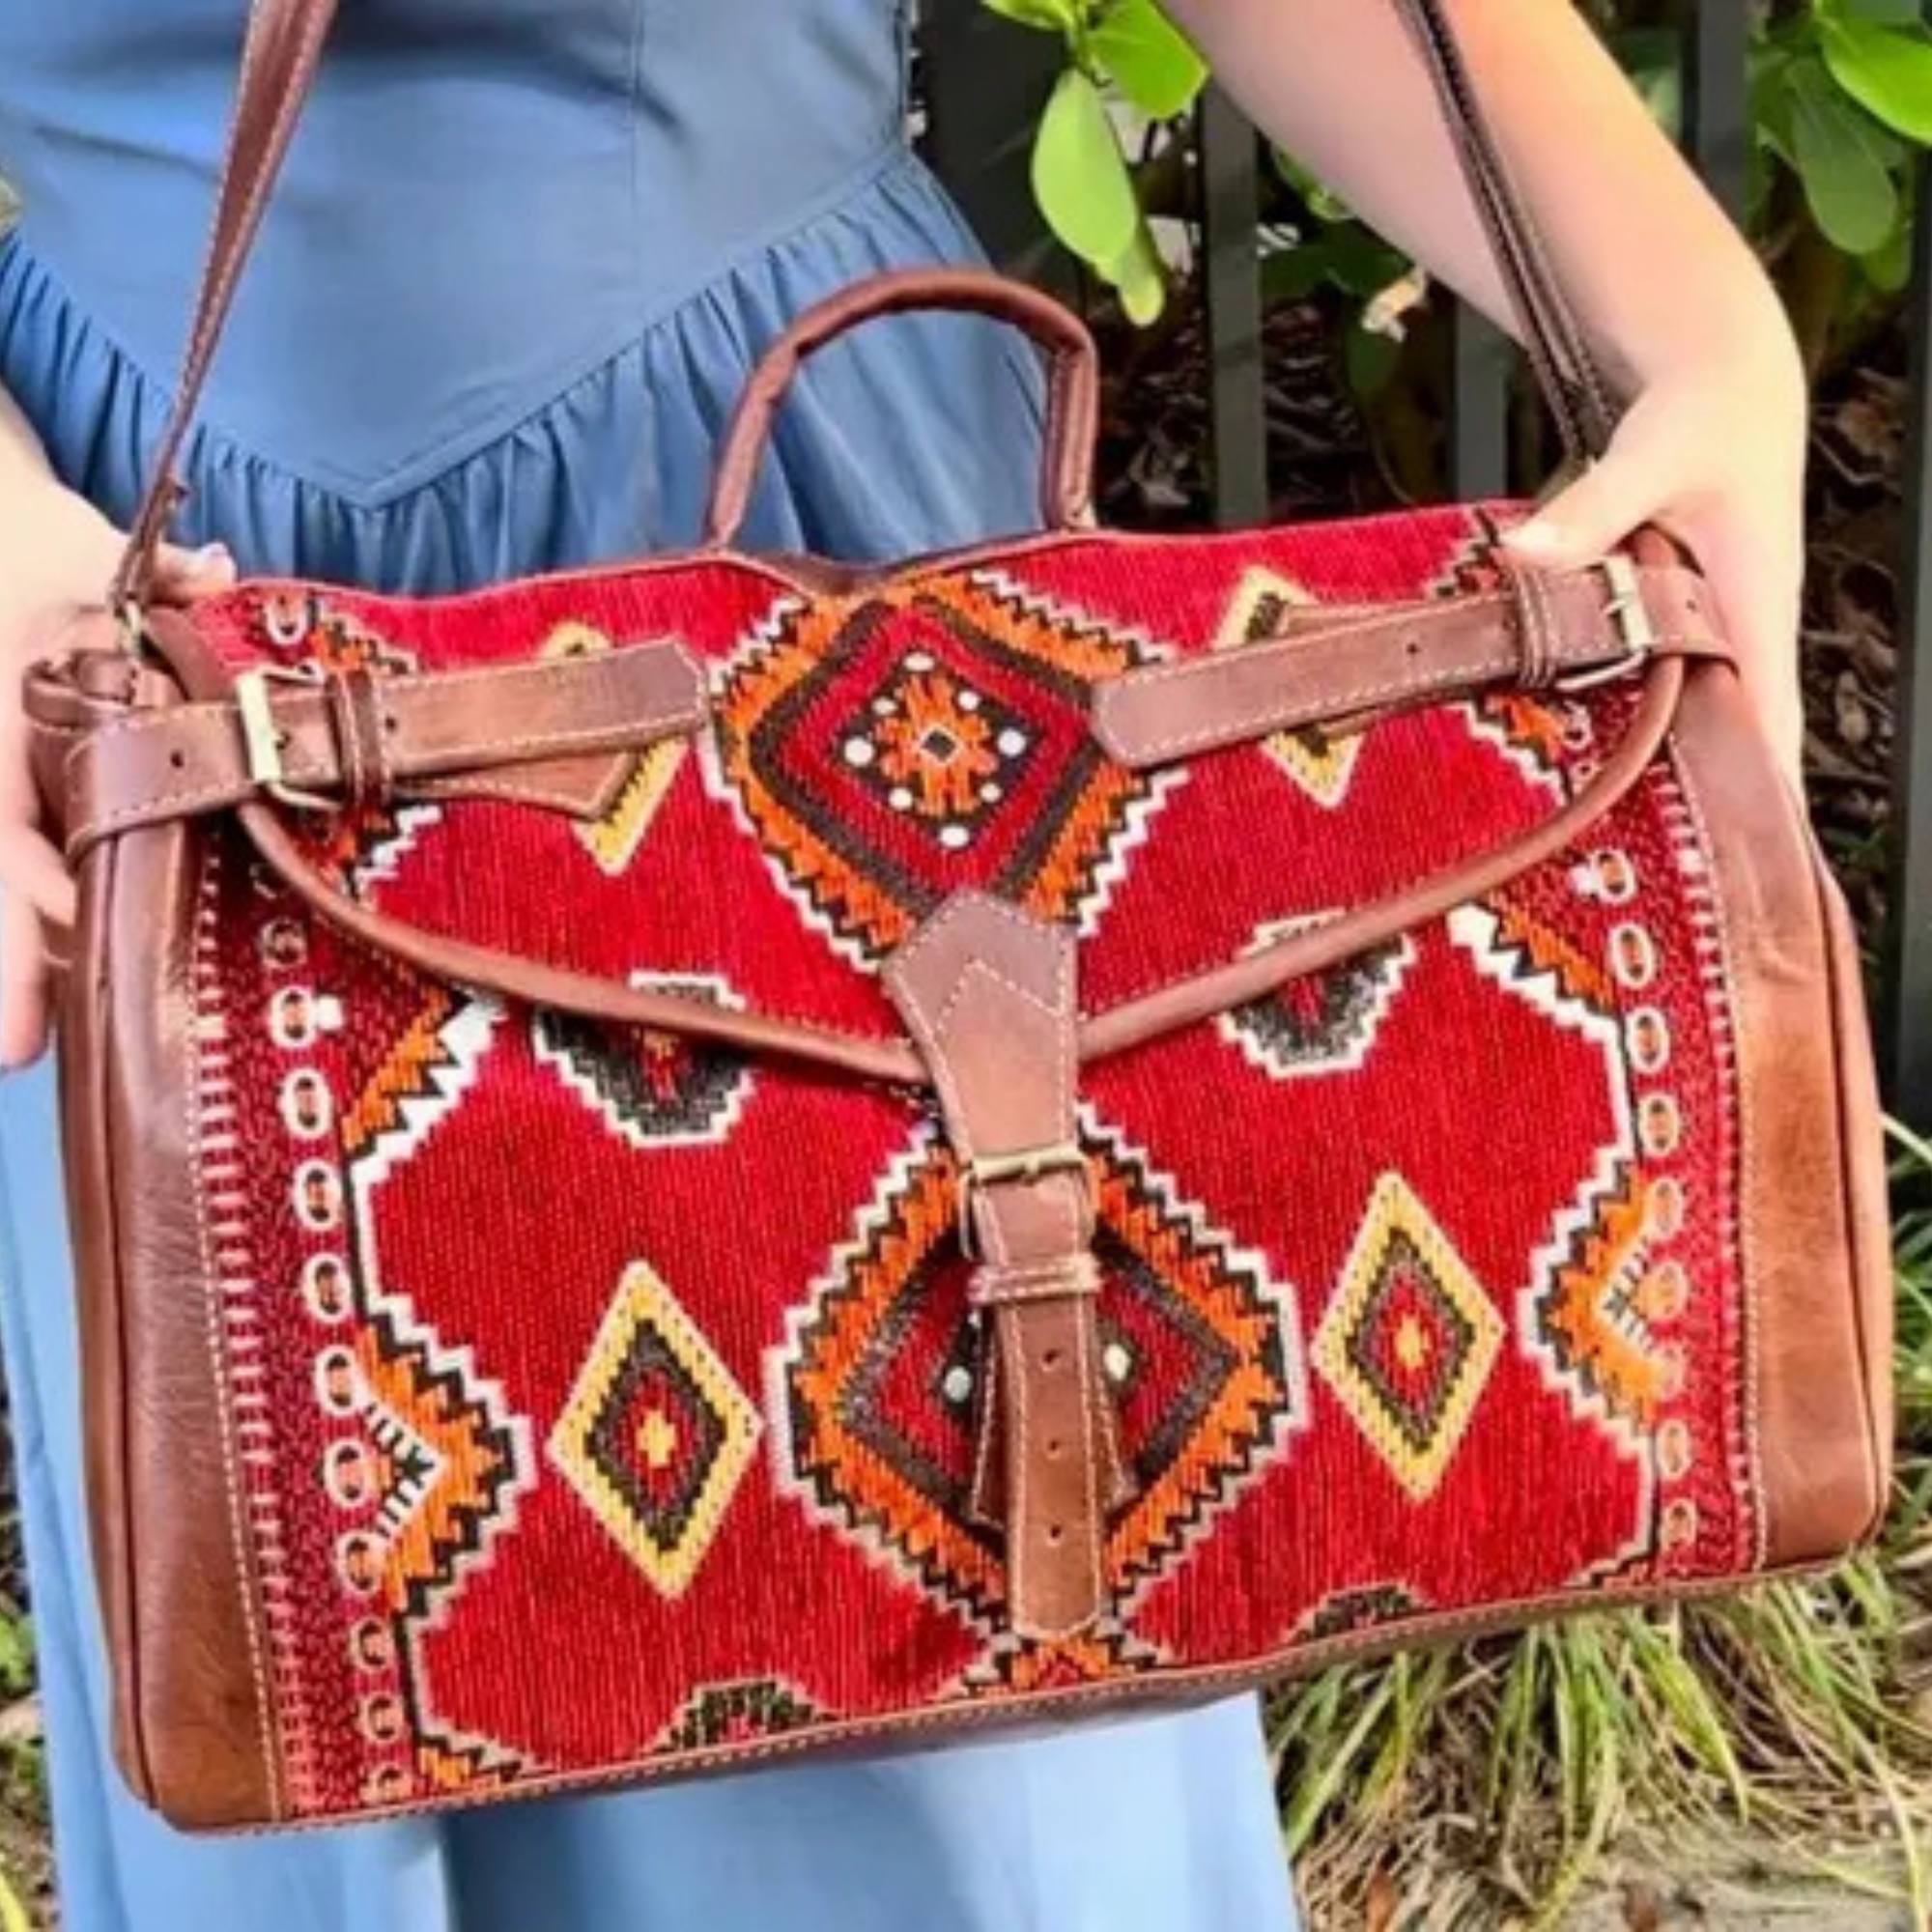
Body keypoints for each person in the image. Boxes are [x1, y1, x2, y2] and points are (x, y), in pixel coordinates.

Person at [0, 2, 1804, 1928]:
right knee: (289, 1636)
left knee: (956, 1660)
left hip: (788, 592)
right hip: (140, 663)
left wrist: (1701, 332)